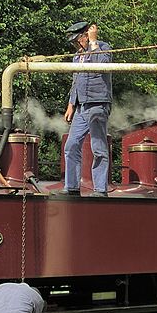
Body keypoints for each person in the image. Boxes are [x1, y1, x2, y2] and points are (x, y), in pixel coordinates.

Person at [63, 21, 112, 196]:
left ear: (86, 35)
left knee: (98, 147)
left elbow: (103, 65)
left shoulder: (103, 47)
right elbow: (75, 81)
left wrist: (93, 42)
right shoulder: (77, 56)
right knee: (71, 144)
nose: (76, 44)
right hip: (81, 107)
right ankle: (72, 187)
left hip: (98, 104)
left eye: (78, 40)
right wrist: (71, 104)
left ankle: (100, 190)